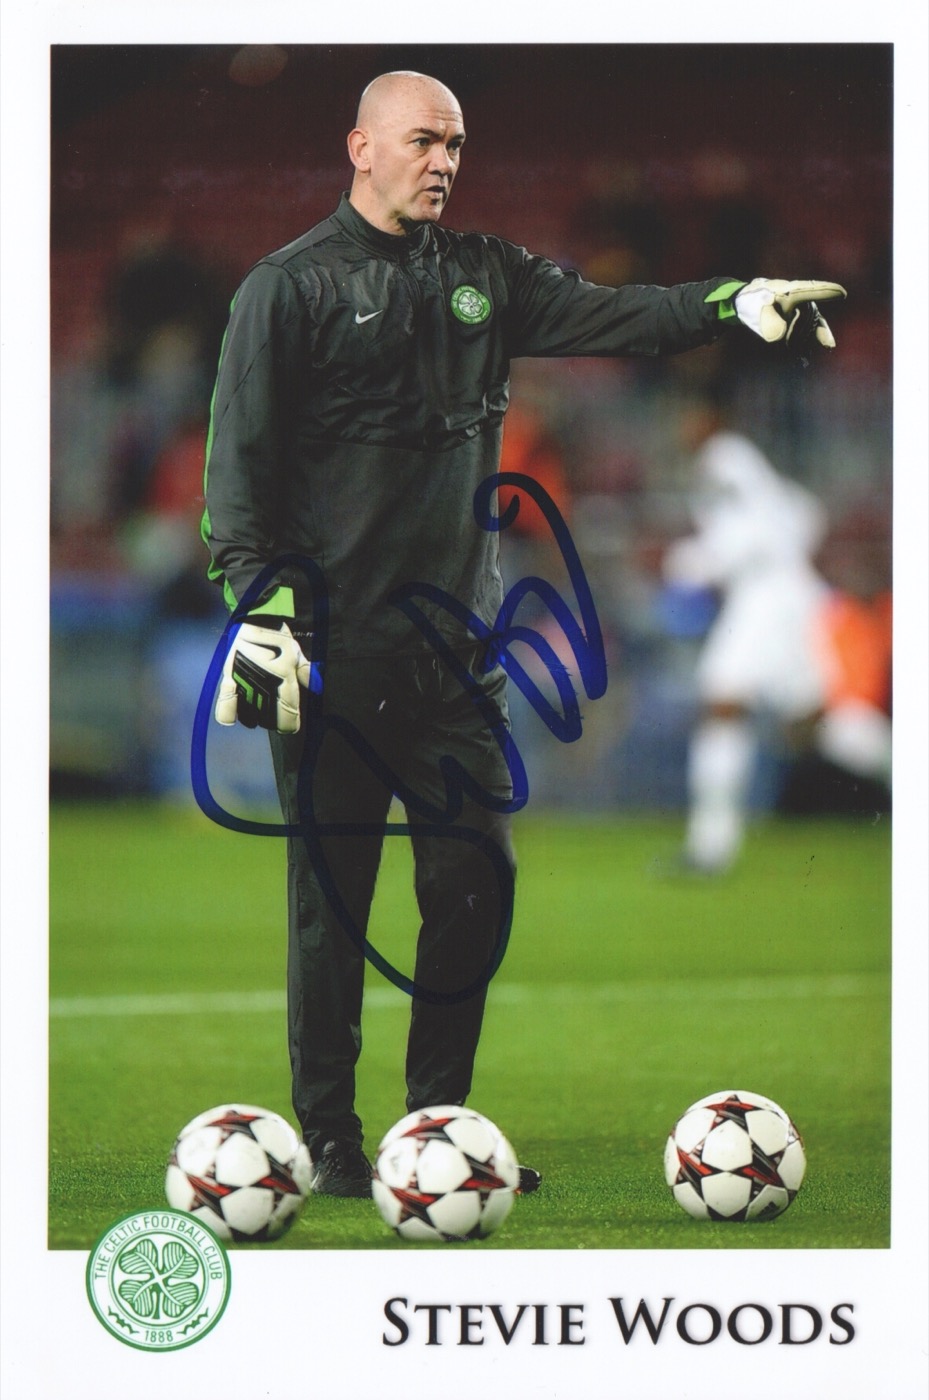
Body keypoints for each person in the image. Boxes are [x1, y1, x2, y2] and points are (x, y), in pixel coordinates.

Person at [201, 69, 845, 1195]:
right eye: (422, 140)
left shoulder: (485, 275)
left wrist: (725, 302)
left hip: (455, 660)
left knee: (475, 884)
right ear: (360, 146)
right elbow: (237, 462)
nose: (443, 161)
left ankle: (436, 1126)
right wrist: (259, 604)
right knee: (330, 906)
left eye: (455, 144)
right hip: (331, 653)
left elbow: (614, 315)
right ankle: (331, 1136)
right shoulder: (286, 288)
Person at [662, 392, 891, 873]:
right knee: (818, 720)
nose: (681, 426)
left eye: (687, 416)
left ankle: (710, 847)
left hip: (764, 596)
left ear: (711, 418)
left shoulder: (722, 457)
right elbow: (805, 512)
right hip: (789, 594)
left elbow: (747, 535)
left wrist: (699, 561)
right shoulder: (750, 465)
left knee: (723, 701)